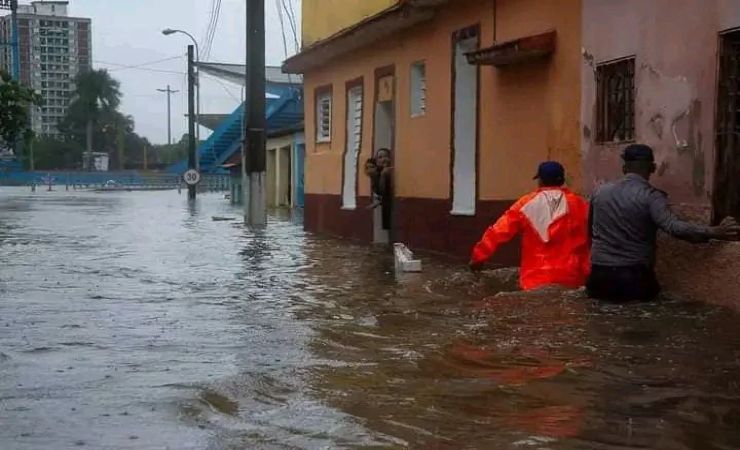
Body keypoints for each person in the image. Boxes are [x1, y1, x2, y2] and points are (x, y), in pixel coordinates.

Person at [587, 144, 740, 302]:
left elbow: (590, 233)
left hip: (598, 275)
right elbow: (674, 227)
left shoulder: (599, 192)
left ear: (624, 168)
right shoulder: (651, 196)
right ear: (652, 168)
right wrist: (716, 231)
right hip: (633, 277)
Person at [469, 161, 591, 291]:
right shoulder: (581, 205)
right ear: (562, 180)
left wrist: (478, 257)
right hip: (573, 278)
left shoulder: (526, 204)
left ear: (541, 181)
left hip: (534, 279)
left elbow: (498, 232)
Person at [364, 148, 393, 231]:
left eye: (386, 156)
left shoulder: (387, 172)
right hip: (386, 208)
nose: (383, 159)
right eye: (380, 157)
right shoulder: (377, 175)